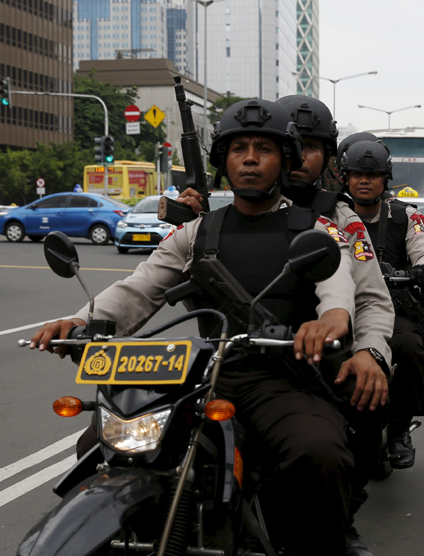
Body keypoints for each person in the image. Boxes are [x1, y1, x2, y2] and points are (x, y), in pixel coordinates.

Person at [29, 99, 375, 556]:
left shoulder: (316, 227)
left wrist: (332, 319)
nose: (250, 158)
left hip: (283, 376)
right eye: (238, 149)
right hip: (207, 373)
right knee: (103, 443)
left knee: (318, 451)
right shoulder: (198, 232)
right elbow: (140, 288)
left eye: (263, 149)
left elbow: (335, 282)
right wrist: (80, 321)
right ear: (222, 162)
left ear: (285, 161)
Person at [178, 95, 394, 556]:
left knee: (342, 428)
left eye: (310, 146)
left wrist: (367, 350)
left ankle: (338, 518)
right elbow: (158, 279)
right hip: (220, 363)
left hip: (306, 363)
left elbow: (366, 297)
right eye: (240, 149)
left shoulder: (335, 218)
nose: (252, 159)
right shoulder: (213, 218)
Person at [341, 139, 424, 470]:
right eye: (357, 174)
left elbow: (423, 250)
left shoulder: (405, 215)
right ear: (344, 177)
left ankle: (398, 428)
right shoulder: (332, 214)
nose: (364, 180)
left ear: (385, 179)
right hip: (339, 305)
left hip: (393, 305)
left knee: (412, 347)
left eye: (372, 174)